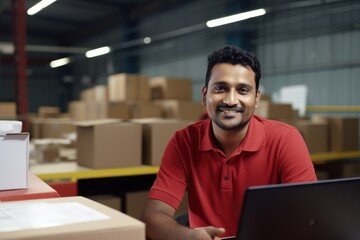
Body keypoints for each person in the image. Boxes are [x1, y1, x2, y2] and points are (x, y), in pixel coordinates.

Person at [140, 45, 317, 240]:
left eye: (243, 90)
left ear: (256, 99)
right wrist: (190, 237)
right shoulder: (184, 142)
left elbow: (308, 218)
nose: (231, 100)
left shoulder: (285, 140)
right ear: (204, 95)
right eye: (220, 88)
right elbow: (152, 216)